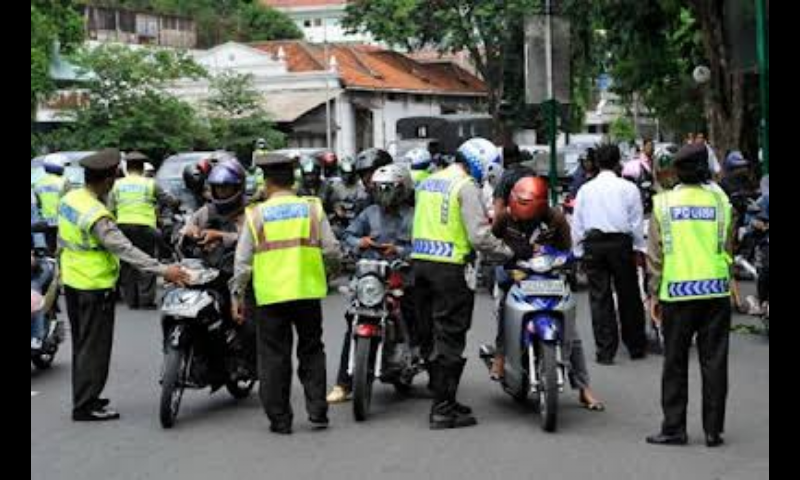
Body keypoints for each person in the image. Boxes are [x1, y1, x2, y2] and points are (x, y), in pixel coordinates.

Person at [58, 149, 188, 421]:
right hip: (94, 286)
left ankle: (83, 397)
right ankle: (86, 405)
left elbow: (62, 241)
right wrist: (165, 270)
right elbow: (125, 250)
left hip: (72, 282)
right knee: (94, 349)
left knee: (82, 346)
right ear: (107, 181)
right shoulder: (96, 214)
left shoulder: (70, 198)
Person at [231, 152, 341, 435]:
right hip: (307, 291)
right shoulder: (313, 208)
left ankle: (280, 420)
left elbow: (242, 263)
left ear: (266, 183)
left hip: (270, 297)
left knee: (273, 358)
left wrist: (237, 296)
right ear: (293, 180)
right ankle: (317, 411)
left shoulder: (256, 214)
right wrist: (331, 271)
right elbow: (331, 249)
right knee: (312, 350)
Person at [412, 137, 511, 430]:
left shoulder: (430, 181)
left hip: (420, 266)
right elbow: (479, 236)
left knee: (431, 334)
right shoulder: (465, 187)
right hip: (450, 269)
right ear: (480, 163)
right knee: (450, 337)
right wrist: (508, 252)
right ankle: (442, 409)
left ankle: (444, 397)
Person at [646, 143, 734, 448]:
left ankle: (674, 429)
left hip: (677, 293)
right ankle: (713, 431)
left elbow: (655, 257)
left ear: (676, 172)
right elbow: (726, 245)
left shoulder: (663, 204)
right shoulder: (721, 203)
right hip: (715, 291)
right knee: (714, 362)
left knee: (675, 363)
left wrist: (653, 294)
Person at [491, 176, 604, 410]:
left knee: (571, 331)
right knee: (504, 304)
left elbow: (566, 250)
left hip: (549, 278)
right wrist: (505, 257)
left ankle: (584, 387)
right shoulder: (504, 217)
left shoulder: (556, 219)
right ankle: (501, 356)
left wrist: (568, 262)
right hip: (516, 275)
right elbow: (491, 242)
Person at [327, 164, 416, 403]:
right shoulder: (369, 214)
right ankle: (343, 383)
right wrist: (361, 242)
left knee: (416, 315)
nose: (384, 194)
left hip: (402, 278)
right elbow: (347, 236)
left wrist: (398, 250)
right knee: (353, 321)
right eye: (380, 189)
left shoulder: (413, 216)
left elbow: (421, 246)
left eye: (390, 189)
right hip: (371, 279)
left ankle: (421, 361)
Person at [572, 144, 647, 364]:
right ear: (617, 163)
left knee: (599, 297)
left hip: (594, 245)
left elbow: (578, 223)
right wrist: (638, 248)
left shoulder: (586, 189)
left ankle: (605, 351)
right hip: (620, 243)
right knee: (629, 295)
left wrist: (577, 252)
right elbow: (636, 222)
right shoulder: (628, 188)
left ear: (596, 163)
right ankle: (635, 345)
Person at [109, 152, 179, 309]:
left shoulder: (117, 184)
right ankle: (145, 300)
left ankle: (131, 301)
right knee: (146, 260)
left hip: (123, 226)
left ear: (127, 167)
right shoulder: (150, 183)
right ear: (142, 167)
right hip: (145, 227)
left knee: (127, 261)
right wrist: (176, 202)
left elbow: (111, 208)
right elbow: (168, 200)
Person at [33, 155, 68, 252]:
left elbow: (38, 205)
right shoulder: (64, 181)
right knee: (62, 250)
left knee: (51, 250)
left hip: (46, 223)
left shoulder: (39, 183)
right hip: (62, 222)